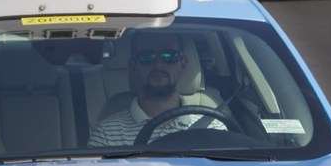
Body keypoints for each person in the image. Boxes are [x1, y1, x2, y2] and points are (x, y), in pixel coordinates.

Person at [88, 31, 227, 147]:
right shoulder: (106, 134)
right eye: (147, 57)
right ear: (133, 65)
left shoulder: (212, 127)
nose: (159, 65)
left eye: (169, 56)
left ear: (183, 64)